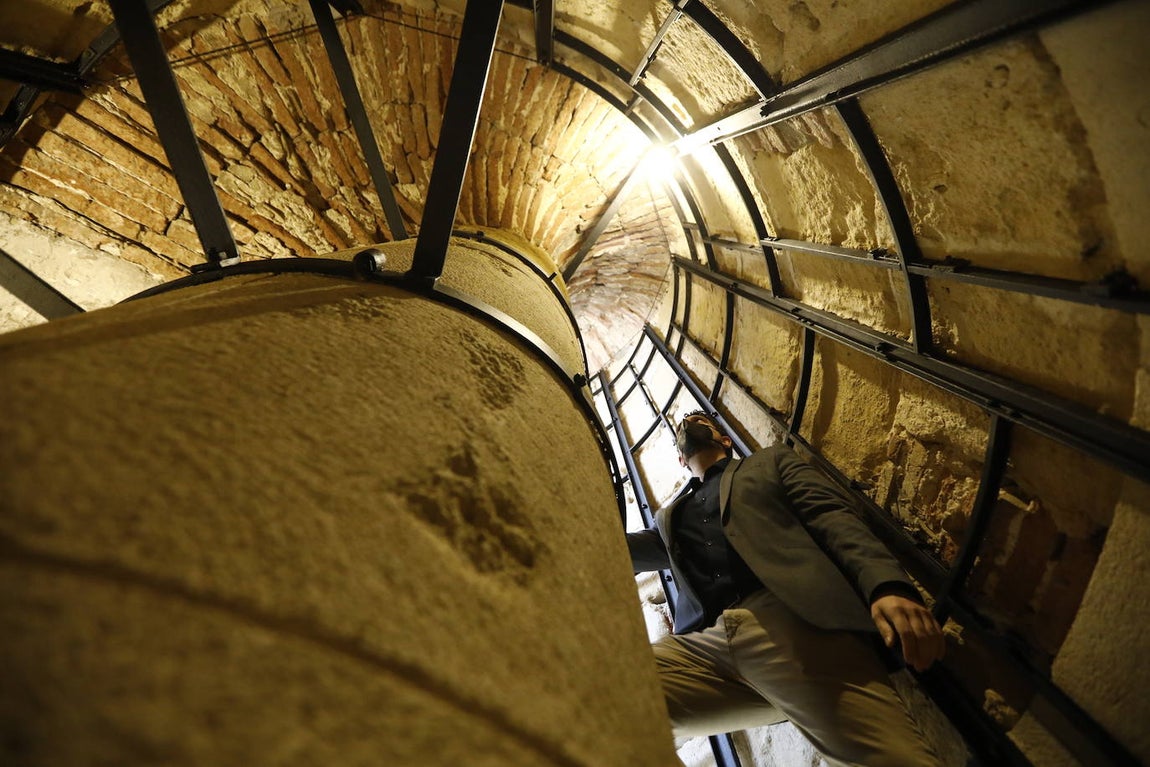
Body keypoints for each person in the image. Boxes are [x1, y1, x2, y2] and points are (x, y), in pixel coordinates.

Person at [627, 411, 945, 767]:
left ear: (725, 440)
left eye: (698, 418)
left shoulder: (769, 462)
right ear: (680, 459)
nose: (686, 423)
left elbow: (831, 516)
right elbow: (611, 549)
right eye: (680, 426)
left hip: (789, 618)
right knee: (609, 692)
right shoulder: (668, 520)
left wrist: (886, 585)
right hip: (704, 651)